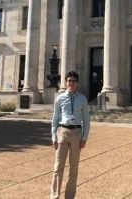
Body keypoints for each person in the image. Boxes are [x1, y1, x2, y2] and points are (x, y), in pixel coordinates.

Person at [50, 71, 90, 199]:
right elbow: (55, 119)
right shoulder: (60, 98)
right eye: (69, 81)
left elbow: (86, 120)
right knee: (58, 167)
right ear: (66, 82)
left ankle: (69, 197)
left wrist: (84, 137)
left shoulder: (82, 99)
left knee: (74, 168)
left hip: (77, 133)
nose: (71, 83)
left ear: (77, 83)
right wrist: (53, 137)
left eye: (73, 81)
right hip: (62, 132)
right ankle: (54, 196)